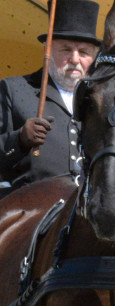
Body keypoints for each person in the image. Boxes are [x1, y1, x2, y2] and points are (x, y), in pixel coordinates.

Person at [0, 0, 100, 194]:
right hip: (26, 209)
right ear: (48, 49)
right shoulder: (12, 89)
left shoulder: (102, 102)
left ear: (94, 58)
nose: (75, 59)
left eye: (84, 52)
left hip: (86, 214)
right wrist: (19, 140)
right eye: (66, 49)